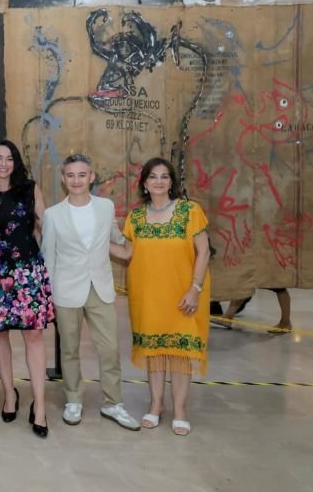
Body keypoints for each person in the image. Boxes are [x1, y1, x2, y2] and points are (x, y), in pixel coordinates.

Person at [41, 154, 140, 431]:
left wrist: (135, 238)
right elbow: (48, 258)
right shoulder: (52, 215)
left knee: (110, 349)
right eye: (71, 175)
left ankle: (113, 403)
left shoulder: (106, 207)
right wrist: (49, 296)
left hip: (101, 288)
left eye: (82, 175)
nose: (76, 180)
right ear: (64, 179)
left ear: (91, 177)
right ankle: (73, 399)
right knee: (69, 350)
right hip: (66, 291)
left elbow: (116, 237)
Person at [116, 157, 211, 436]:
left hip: (183, 296)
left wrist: (194, 289)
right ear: (144, 183)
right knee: (154, 352)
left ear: (172, 182)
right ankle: (156, 404)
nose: (159, 181)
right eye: (153, 177)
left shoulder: (190, 211)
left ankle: (180, 410)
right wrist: (91, 244)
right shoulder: (135, 217)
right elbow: (127, 253)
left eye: (164, 176)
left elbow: (204, 251)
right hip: (148, 297)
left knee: (180, 353)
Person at [0, 139, 54, 438]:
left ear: (16, 162)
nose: (3, 163)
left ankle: (40, 406)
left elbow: (47, 225)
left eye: (9, 158)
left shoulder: (30, 189)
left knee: (34, 335)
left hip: (28, 272)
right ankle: (10, 393)